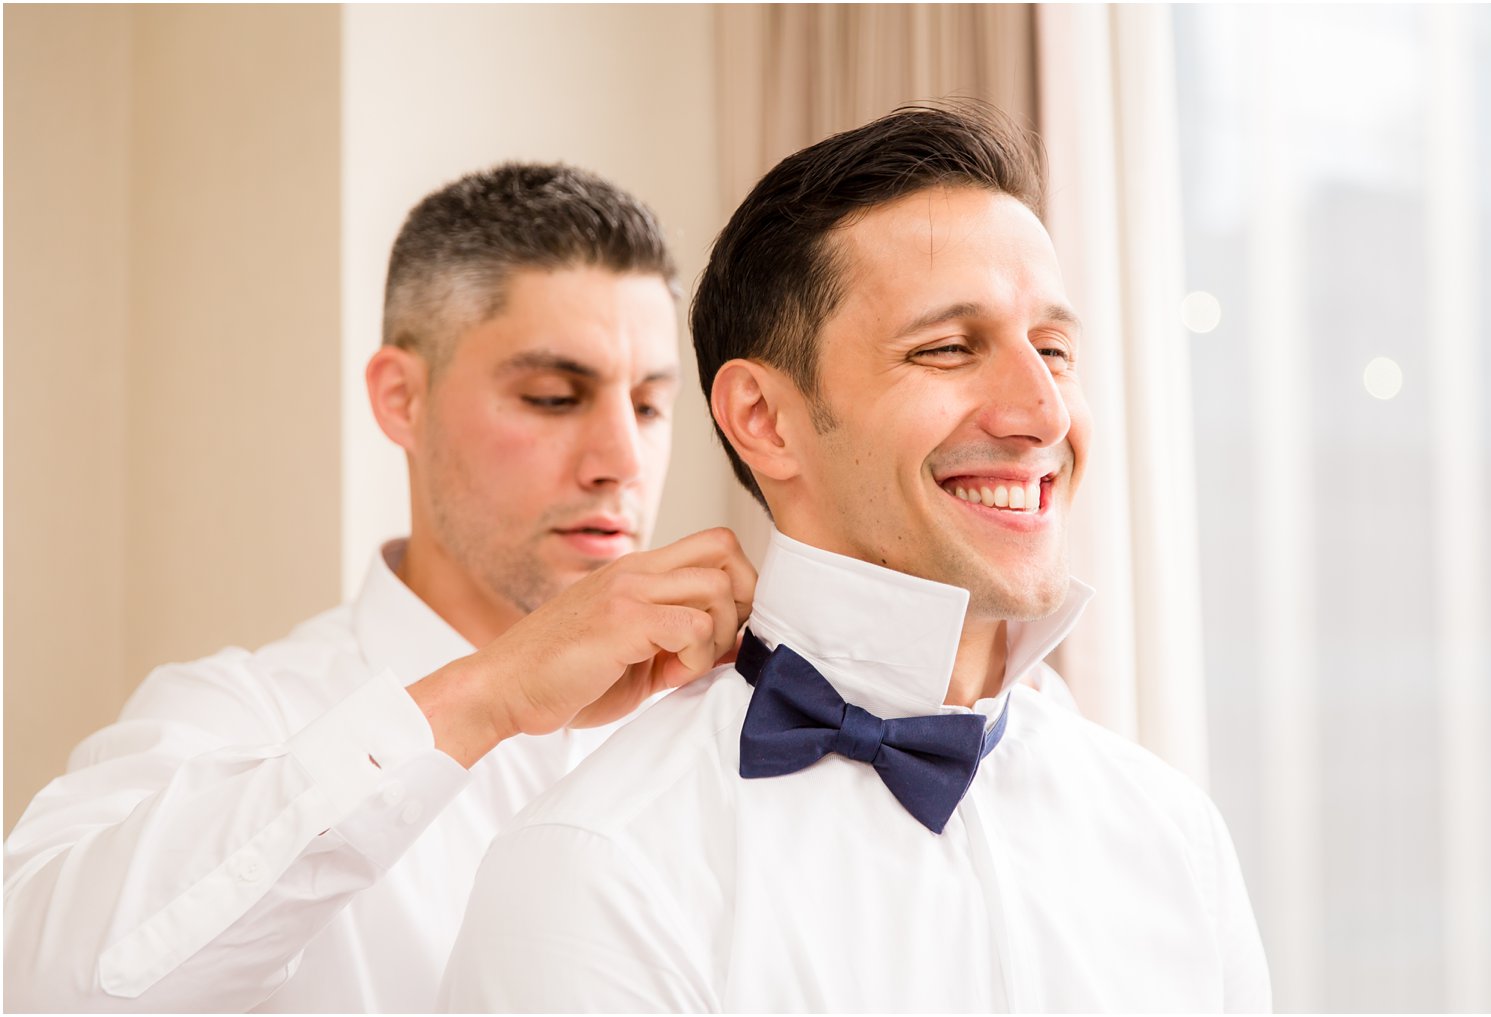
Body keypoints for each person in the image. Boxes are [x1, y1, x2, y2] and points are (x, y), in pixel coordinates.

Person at [439, 103, 1272, 1013]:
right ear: (764, 418)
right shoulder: (597, 869)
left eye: (1055, 349)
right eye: (949, 348)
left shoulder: (1173, 835)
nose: (1041, 412)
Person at [3, 163, 755, 1012]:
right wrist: (490, 694)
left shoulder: (731, 731)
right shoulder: (238, 715)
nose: (621, 461)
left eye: (651, 408)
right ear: (402, 397)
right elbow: (45, 984)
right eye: (553, 397)